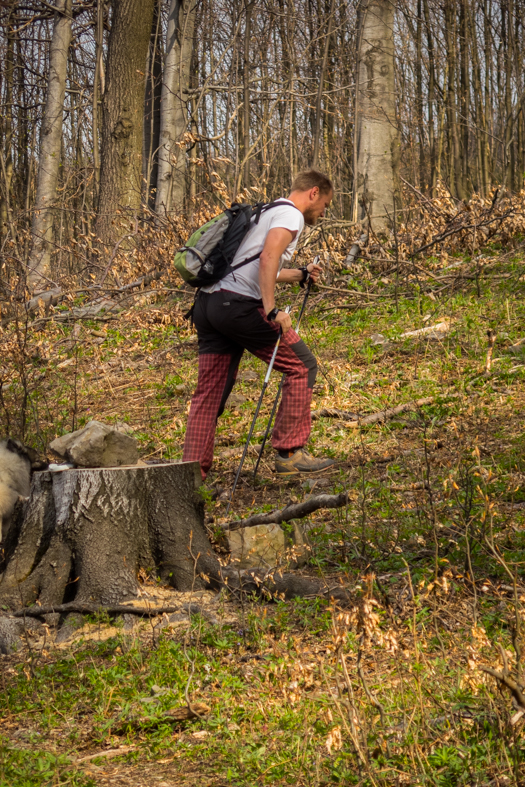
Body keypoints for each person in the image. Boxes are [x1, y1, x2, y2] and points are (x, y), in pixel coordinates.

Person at [183, 169, 335, 480]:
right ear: (314, 193)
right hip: (238, 307)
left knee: (208, 394)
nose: (323, 212)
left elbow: (257, 265)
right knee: (302, 365)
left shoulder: (265, 211)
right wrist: (272, 310)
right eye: (326, 205)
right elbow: (267, 259)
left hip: (209, 305)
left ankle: (191, 479)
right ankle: (291, 454)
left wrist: (301, 274)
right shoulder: (292, 216)